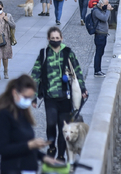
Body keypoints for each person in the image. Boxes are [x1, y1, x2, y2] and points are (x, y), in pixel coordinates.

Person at [31, 27, 88, 161]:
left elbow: (77, 71)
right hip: (49, 97)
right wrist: (33, 95)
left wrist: (83, 88)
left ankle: (61, 154)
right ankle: (52, 148)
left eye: (57, 38)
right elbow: (35, 74)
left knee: (64, 127)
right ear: (48, 39)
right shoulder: (44, 53)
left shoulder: (68, 53)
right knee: (51, 123)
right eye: (53, 38)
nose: (55, 40)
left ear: (61, 38)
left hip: (65, 97)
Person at [0, 75, 61, 173]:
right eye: (26, 97)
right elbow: (3, 149)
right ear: (15, 92)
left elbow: (24, 144)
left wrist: (43, 157)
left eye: (30, 98)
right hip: (14, 169)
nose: (28, 101)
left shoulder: (21, 111)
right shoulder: (2, 115)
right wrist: (30, 144)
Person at [91, 0, 113, 78]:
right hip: (99, 35)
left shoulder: (101, 10)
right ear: (101, 4)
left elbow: (108, 19)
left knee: (101, 53)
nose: (107, 6)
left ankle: (98, 70)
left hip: (103, 34)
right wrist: (108, 10)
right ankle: (97, 71)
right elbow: (104, 19)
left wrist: (107, 10)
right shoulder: (96, 11)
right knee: (98, 53)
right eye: (106, 4)